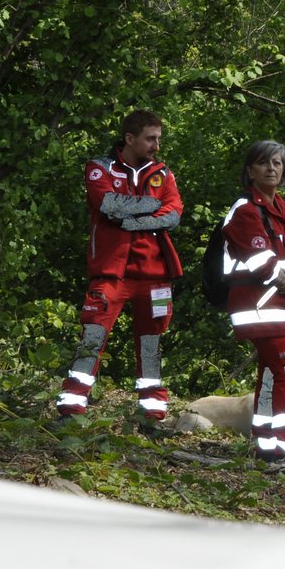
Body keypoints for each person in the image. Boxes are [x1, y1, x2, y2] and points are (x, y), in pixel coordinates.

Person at [57, 110, 184, 431]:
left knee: (150, 344)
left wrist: (133, 216)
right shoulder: (99, 168)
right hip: (111, 274)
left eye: (158, 138)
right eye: (150, 138)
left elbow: (174, 214)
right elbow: (109, 206)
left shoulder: (163, 173)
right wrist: (152, 205)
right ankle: (71, 412)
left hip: (156, 277)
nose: (157, 145)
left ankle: (151, 417)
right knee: (93, 337)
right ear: (130, 139)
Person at [220, 140, 285, 469]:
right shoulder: (244, 211)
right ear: (250, 170)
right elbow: (263, 263)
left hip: (279, 309)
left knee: (270, 373)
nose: (272, 169)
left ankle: (266, 445)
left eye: (277, 163)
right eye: (264, 163)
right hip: (258, 307)